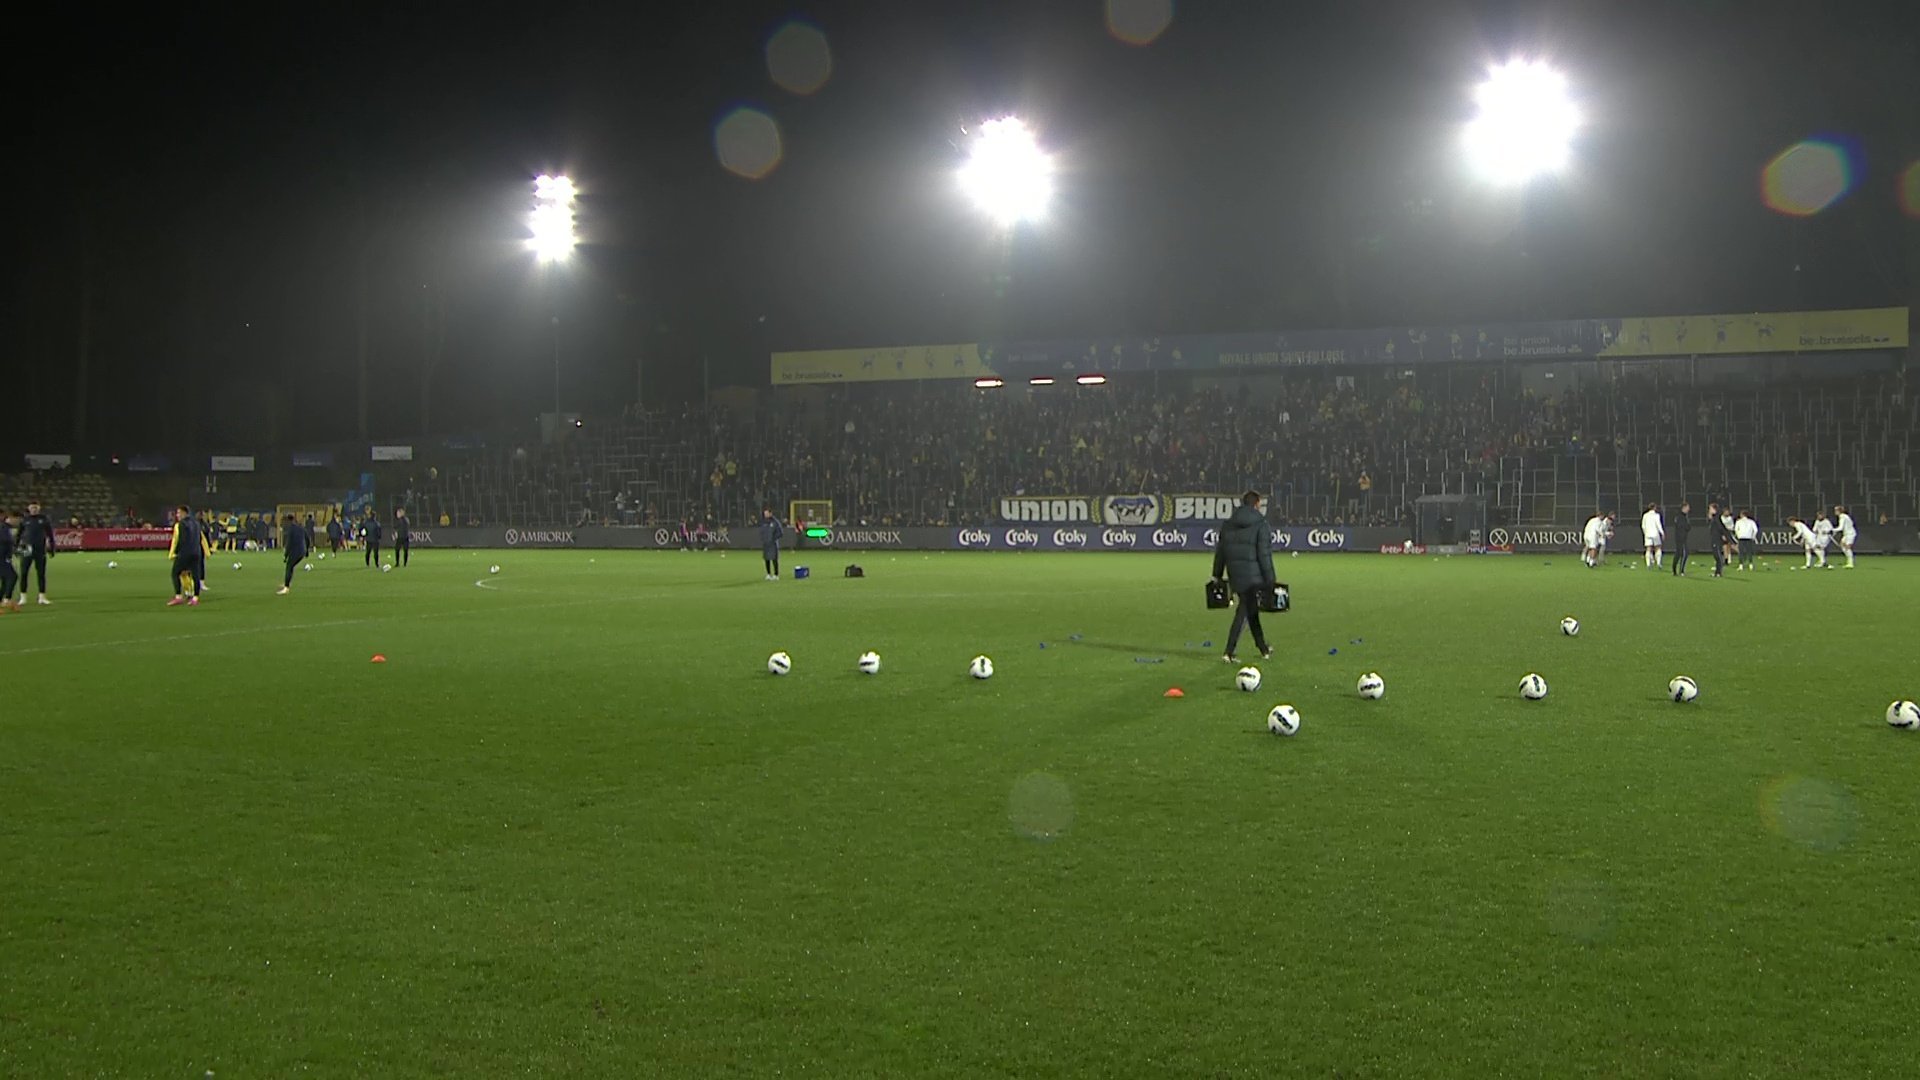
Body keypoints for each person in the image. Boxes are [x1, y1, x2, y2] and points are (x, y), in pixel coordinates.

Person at [1210, 490, 1277, 664]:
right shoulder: (1261, 524)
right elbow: (1264, 555)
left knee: (1251, 610)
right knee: (1244, 611)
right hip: (1254, 576)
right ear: (1256, 504)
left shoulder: (1228, 525)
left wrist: (1217, 574)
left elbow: (1220, 552)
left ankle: (1263, 648)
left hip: (1235, 574)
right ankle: (1229, 651)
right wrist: (1271, 580)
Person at [167, 504, 209, 606]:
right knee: (195, 575)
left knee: (175, 573)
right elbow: (200, 538)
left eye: (178, 513)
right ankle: (195, 598)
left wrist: (176, 552)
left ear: (184, 513)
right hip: (197, 552)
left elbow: (182, 539)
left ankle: (178, 597)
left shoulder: (182, 524)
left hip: (185, 552)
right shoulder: (196, 523)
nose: (177, 515)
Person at [15, 500, 55, 606]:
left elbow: (50, 535)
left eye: (36, 507)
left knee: (41, 573)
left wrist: (52, 548)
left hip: (40, 549)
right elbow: (18, 535)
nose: (34, 509)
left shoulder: (44, 519)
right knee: (24, 573)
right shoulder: (25, 520)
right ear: (29, 508)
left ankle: (42, 597)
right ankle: (23, 597)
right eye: (32, 507)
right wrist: (16, 548)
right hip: (26, 549)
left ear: (39, 508)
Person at [278, 513, 310, 594]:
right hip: (302, 551)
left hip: (296, 551)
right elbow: (307, 539)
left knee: (289, 567)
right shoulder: (301, 527)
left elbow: (289, 543)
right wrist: (306, 551)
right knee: (291, 566)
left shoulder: (291, 529)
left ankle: (286, 588)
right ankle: (287, 583)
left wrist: (285, 555)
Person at [758, 506, 785, 580]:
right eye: (764, 514)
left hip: (773, 543)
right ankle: (768, 574)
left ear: (770, 513)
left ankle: (776, 574)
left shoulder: (775, 522)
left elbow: (780, 533)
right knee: (766, 559)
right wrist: (763, 539)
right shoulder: (763, 522)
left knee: (774, 559)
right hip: (766, 544)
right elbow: (761, 532)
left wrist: (773, 538)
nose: (765, 515)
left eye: (767, 513)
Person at [1706, 501, 1731, 578]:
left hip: (1716, 539)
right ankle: (1717, 572)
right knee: (1716, 555)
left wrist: (1724, 535)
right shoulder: (1715, 518)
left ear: (1714, 509)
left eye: (1710, 509)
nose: (1709, 510)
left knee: (1717, 555)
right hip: (1714, 538)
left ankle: (1719, 572)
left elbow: (1721, 528)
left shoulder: (1716, 518)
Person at [0, 509, 18, 613]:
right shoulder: (4, 527)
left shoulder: (6, 527)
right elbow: (5, 541)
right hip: (2, 557)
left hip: (4, 557)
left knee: (5, 579)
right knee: (12, 576)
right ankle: (7, 600)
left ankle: (5, 600)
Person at [1669, 502, 1692, 577]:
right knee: (1685, 553)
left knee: (1678, 553)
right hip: (1681, 538)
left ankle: (1674, 570)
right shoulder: (1681, 517)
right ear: (1684, 508)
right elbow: (1685, 527)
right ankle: (1681, 571)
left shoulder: (1680, 517)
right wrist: (1687, 527)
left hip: (1680, 537)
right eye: (1687, 507)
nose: (1689, 509)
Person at [1640, 502, 1664, 570]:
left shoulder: (1645, 515)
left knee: (1648, 549)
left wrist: (1645, 533)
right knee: (1658, 548)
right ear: (1654, 508)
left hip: (1648, 534)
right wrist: (1662, 533)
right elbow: (1658, 525)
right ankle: (1658, 563)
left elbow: (1643, 526)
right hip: (1655, 534)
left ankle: (1648, 564)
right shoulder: (1656, 515)